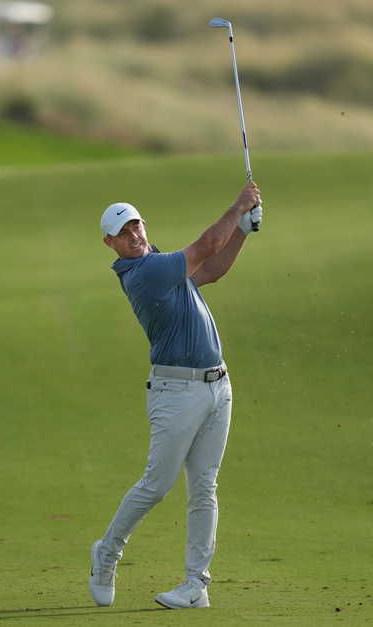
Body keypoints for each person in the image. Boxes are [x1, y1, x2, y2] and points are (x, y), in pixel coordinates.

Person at [90, 182, 262, 610]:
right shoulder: (143, 273)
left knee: (205, 488)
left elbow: (212, 268)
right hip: (175, 391)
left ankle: (195, 585)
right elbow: (206, 245)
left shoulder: (161, 262)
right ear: (109, 243)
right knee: (157, 485)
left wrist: (242, 227)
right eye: (123, 234)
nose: (134, 237)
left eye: (136, 227)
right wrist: (238, 206)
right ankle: (106, 554)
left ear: (144, 226)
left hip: (217, 387)